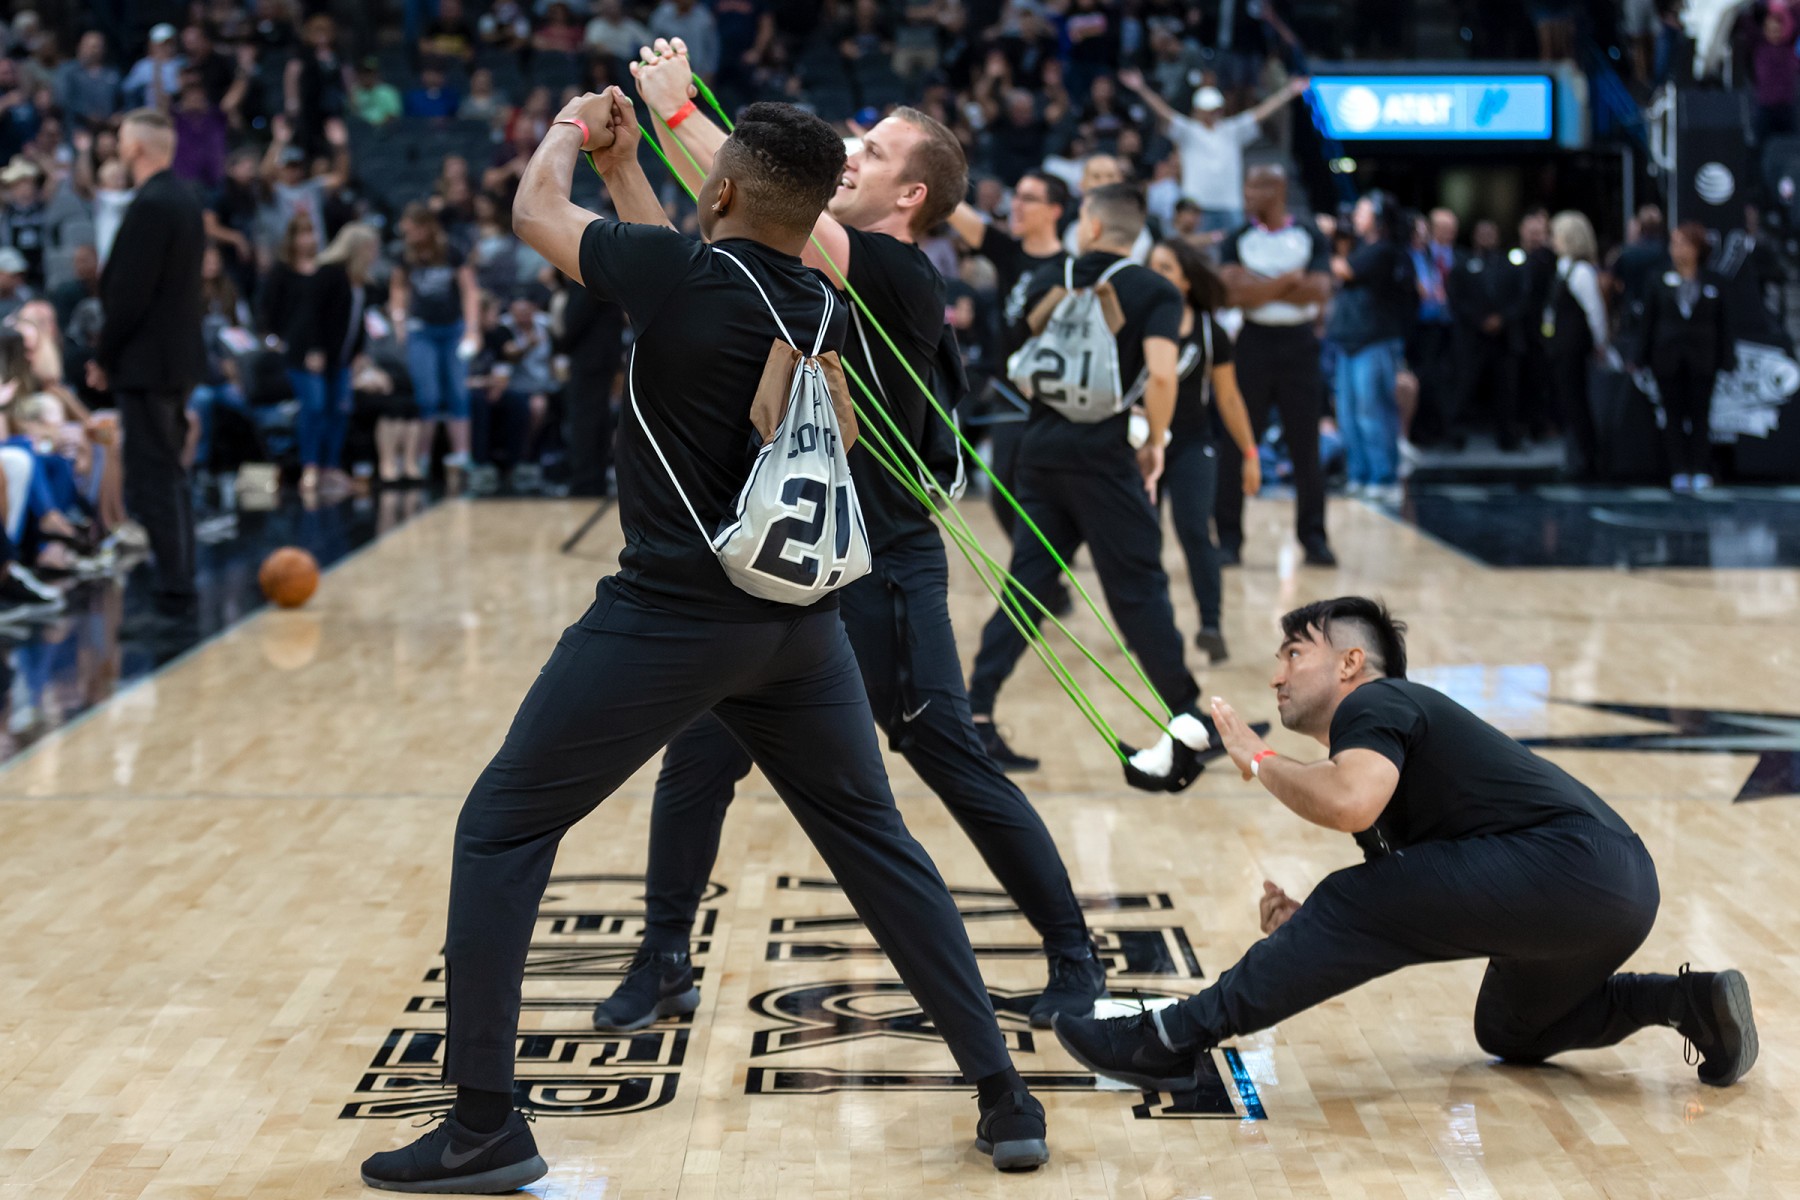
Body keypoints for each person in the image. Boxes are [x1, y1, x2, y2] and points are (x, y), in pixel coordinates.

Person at [358, 89, 1049, 1195]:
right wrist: (631, 171)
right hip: (802, 632)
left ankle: (483, 1125)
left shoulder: (683, 278)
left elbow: (535, 213)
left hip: (672, 620)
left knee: (500, 827)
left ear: (720, 190)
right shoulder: (820, 299)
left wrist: (570, 132)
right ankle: (1006, 1095)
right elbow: (683, 272)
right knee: (878, 847)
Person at [621, 38, 1108, 1029]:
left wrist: (677, 112)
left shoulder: (896, 273)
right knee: (702, 749)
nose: (851, 153)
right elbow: (720, 216)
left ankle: (1074, 954)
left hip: (883, 566)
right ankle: (663, 956)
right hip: (791, 560)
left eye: (874, 152)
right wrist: (639, 152)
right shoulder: (795, 260)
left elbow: (765, 195)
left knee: (945, 753)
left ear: (910, 198)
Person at [1054, 597, 1759, 1097]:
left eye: (1294, 654)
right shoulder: (1381, 742)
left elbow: (1349, 808)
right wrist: (1310, 929)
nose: (1276, 676)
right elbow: (1405, 899)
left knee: (1350, 899)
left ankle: (1170, 1040)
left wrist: (1258, 758)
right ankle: (1689, 1001)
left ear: (1351, 663)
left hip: (1573, 865)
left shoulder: (1378, 702)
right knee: (1511, 1031)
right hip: (1613, 891)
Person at [966, 183, 1210, 776]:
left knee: (1027, 589)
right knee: (1138, 590)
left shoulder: (1047, 278)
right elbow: (1161, 376)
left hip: (1039, 452)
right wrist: (1155, 442)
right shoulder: (1153, 289)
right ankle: (1190, 719)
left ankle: (976, 710)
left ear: (1093, 227)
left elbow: (1016, 357)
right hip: (1102, 458)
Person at [87, 109, 203, 622]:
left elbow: (128, 295)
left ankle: (173, 593)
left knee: (153, 477)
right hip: (175, 358)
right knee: (170, 473)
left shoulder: (151, 205)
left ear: (135, 148)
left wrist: (104, 356)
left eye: (121, 139)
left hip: (147, 362)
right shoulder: (185, 199)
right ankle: (180, 583)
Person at [1144, 238, 1260, 663]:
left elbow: (1228, 398)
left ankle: (1211, 625)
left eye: (1165, 267)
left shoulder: (1210, 332)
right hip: (1141, 446)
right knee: (1142, 538)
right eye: (1151, 266)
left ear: (1186, 281)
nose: (1155, 274)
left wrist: (1250, 454)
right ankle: (1151, 628)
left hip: (1192, 444)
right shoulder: (1133, 323)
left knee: (1194, 529)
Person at [1214, 165, 1335, 566]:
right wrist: (1287, 282)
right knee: (1236, 442)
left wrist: (1256, 285)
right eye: (1247, 185)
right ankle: (1229, 539)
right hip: (1253, 343)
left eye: (1257, 186)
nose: (1248, 193)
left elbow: (1319, 289)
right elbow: (1231, 294)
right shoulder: (1238, 237)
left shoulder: (1308, 234)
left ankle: (1313, 538)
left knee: (1306, 447)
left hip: (1300, 345)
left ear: (1278, 189)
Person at [945, 170, 1069, 539]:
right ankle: (1035, 565)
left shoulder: (1071, 268)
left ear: (1055, 210)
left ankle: (1043, 564)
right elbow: (955, 210)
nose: (1016, 205)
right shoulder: (1008, 252)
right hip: (1010, 392)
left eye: (1029, 198)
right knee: (1002, 492)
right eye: (1016, 196)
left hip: (1055, 400)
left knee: (1053, 491)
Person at [1118, 70, 1309, 235]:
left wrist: (1288, 92)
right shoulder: (1189, 131)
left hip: (1230, 204)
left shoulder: (1232, 130)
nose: (1213, 113)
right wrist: (1141, 88)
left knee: (1233, 249)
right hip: (1198, 205)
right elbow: (1164, 112)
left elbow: (1260, 113)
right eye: (1208, 109)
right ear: (1198, 110)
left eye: (1216, 109)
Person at [1327, 192, 1416, 504]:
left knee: (1373, 410)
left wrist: (1326, 237)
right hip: (1348, 340)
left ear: (1378, 218)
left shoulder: (1384, 250)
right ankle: (1359, 475)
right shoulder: (1360, 248)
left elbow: (1344, 270)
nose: (1356, 217)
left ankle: (1384, 477)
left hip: (1374, 340)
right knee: (1348, 414)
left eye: (1363, 212)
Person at [1636, 222, 1732, 493]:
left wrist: (1727, 359)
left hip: (1703, 359)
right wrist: (1640, 356)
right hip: (1667, 358)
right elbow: (1648, 321)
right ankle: (1678, 469)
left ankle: (1700, 468)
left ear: (1698, 248)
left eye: (1684, 243)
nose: (1678, 249)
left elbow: (1724, 324)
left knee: (1701, 416)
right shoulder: (1657, 278)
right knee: (1672, 415)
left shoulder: (1714, 281)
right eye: (1674, 243)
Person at [390, 203, 480, 484]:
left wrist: (472, 329)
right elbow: (398, 289)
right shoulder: (404, 254)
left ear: (426, 227)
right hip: (421, 330)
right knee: (427, 396)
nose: (409, 235)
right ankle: (421, 459)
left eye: (413, 230)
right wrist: (399, 322)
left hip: (452, 329)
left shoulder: (451, 250)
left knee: (458, 393)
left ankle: (462, 456)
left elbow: (469, 291)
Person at [294, 222, 377, 496]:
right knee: (315, 408)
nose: (374, 254)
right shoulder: (328, 273)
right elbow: (310, 314)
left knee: (340, 410)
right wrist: (314, 348)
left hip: (340, 360)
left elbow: (356, 321)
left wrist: (359, 352)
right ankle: (310, 467)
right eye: (370, 248)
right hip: (312, 356)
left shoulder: (359, 281)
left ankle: (330, 467)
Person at [1542, 210, 1609, 480]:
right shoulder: (1563, 267)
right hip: (1560, 346)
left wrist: (1600, 343)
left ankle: (1588, 459)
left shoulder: (1581, 272)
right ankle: (1578, 457)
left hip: (1573, 347)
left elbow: (1595, 312)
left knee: (1577, 402)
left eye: (1556, 234)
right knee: (1568, 402)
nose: (1552, 240)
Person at [1447, 218, 1515, 449]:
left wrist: (1502, 318)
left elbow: (1519, 296)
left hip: (1502, 336)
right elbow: (1456, 297)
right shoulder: (1463, 263)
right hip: (1471, 335)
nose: (1487, 238)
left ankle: (1507, 436)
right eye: (1482, 233)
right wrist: (1479, 320)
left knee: (1504, 387)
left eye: (1491, 233)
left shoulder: (1508, 263)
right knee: (1464, 385)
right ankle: (1456, 434)